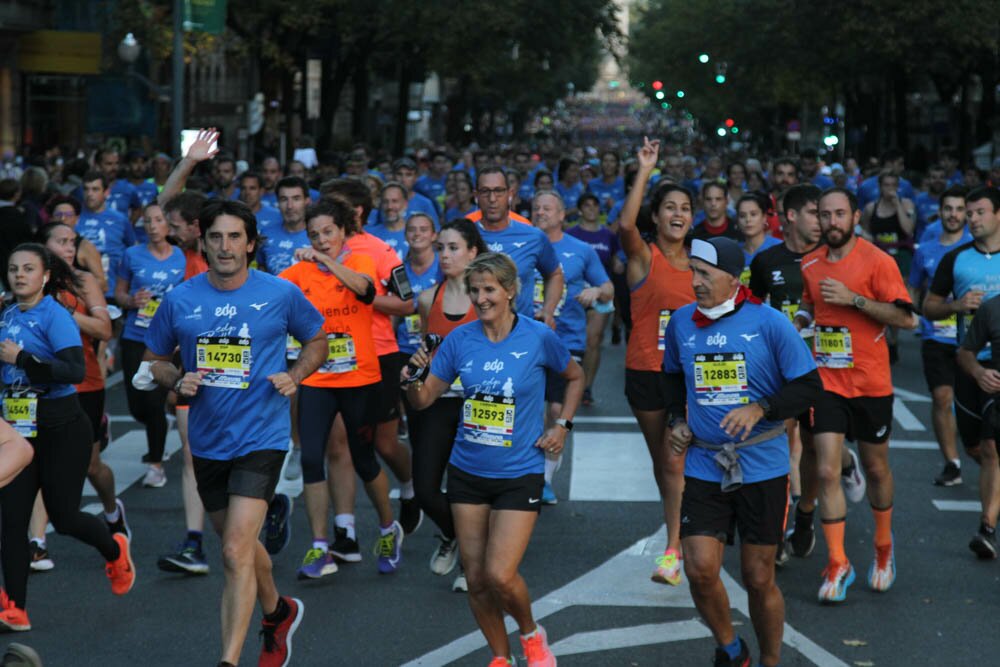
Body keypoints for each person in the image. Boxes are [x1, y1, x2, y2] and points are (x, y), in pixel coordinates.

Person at [140, 199, 327, 666]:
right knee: (241, 548)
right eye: (217, 237)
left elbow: (318, 339)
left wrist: (297, 374)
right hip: (207, 440)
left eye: (235, 237)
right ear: (202, 242)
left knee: (230, 551)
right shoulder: (181, 299)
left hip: (261, 436)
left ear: (251, 243)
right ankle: (278, 612)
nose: (225, 247)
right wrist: (175, 379)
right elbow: (154, 362)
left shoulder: (280, 294)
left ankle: (228, 659)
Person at [403, 252, 583, 667]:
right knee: (478, 578)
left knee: (501, 574)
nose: (481, 299)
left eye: (489, 290)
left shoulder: (538, 337)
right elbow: (425, 397)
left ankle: (531, 635)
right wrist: (411, 381)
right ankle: (500, 657)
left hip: (519, 473)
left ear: (510, 291)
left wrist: (562, 426)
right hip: (468, 472)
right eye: (476, 290)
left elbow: (574, 377)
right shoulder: (461, 340)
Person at [664, 237, 821, 667]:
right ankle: (732, 649)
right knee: (698, 568)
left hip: (761, 465)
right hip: (704, 460)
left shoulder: (769, 323)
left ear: (734, 278)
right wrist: (677, 422)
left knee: (757, 576)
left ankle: (770, 659)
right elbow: (673, 380)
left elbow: (809, 386)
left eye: (705, 274)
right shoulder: (680, 323)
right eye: (692, 271)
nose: (694, 281)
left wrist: (761, 407)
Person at [0, 244, 135, 632]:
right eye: (13, 269)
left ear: (44, 277)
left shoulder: (55, 315)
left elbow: (74, 371)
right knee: (12, 522)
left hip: (62, 428)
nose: (20, 275)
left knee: (65, 515)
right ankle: (17, 610)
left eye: (28, 269)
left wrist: (22, 359)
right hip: (18, 433)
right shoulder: (6, 316)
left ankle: (115, 549)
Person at [794, 188, 918, 603]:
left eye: (839, 214)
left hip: (870, 382)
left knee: (876, 467)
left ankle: (883, 548)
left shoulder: (878, 262)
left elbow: (907, 317)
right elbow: (810, 305)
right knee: (826, 470)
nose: (831, 221)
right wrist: (799, 320)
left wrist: (856, 300)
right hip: (827, 382)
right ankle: (837, 561)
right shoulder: (809, 263)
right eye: (824, 214)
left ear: (853, 218)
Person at [279, 199, 404, 578]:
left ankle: (387, 529)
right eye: (314, 234)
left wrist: (326, 261)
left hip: (359, 379)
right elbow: (266, 294)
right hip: (318, 377)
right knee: (312, 458)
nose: (321, 239)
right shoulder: (300, 272)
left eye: (328, 232)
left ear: (343, 232)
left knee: (365, 460)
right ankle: (320, 547)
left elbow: (366, 292)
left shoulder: (359, 261)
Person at [28, 222, 125, 573]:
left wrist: (65, 314)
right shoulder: (29, 284)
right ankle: (36, 543)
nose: (70, 248)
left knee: (90, 466)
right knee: (38, 461)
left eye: (73, 242)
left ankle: (113, 510)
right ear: (44, 246)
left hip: (85, 384)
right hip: (41, 386)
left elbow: (104, 329)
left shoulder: (84, 283)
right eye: (62, 242)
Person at [620, 137, 696, 586]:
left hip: (689, 377)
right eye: (670, 206)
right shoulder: (642, 257)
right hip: (646, 372)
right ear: (657, 215)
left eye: (685, 207)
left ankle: (674, 549)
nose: (678, 214)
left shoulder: (703, 264)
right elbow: (624, 225)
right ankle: (682, 527)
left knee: (674, 460)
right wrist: (645, 169)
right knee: (662, 461)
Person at [409, 219, 486, 590]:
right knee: (425, 488)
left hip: (477, 404)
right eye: (440, 248)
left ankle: (469, 567)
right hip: (438, 400)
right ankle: (454, 534)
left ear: (473, 252)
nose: (445, 255)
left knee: (463, 488)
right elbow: (427, 347)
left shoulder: (485, 299)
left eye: (453, 248)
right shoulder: (427, 299)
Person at [924, 186, 1000, 559]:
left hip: (998, 367)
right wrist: (956, 304)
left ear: (998, 215)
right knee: (975, 446)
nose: (972, 219)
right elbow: (929, 308)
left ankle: (986, 528)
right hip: (968, 362)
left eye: (980, 212)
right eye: (969, 213)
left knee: (991, 447)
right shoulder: (955, 260)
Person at [749, 184, 823, 560]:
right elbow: (753, 310)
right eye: (814, 212)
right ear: (791, 216)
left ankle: (806, 514)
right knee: (780, 445)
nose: (821, 221)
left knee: (818, 449)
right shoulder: (767, 261)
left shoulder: (831, 258)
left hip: (827, 368)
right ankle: (776, 533)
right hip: (781, 369)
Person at [532, 190, 612, 502]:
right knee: (523, 410)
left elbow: (608, 289)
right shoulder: (522, 246)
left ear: (562, 214)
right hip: (521, 338)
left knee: (555, 409)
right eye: (536, 208)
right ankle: (522, 471)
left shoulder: (580, 250)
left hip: (566, 339)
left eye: (548, 208)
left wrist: (595, 292)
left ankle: (546, 479)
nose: (541, 213)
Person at [114, 203, 187, 487]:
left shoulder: (182, 257)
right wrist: (131, 301)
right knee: (138, 405)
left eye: (158, 220)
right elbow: (119, 292)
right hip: (136, 335)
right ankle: (159, 428)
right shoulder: (131, 255)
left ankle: (155, 464)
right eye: (148, 221)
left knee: (155, 402)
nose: (153, 225)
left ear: (168, 223)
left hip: (169, 339)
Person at [907, 186, 970, 486]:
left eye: (960, 209)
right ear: (940, 212)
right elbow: (914, 289)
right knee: (942, 397)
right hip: (937, 337)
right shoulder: (927, 250)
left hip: (974, 340)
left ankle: (974, 449)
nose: (954, 215)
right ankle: (952, 462)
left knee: (972, 404)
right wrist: (912, 313)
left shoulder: (978, 249)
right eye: (949, 209)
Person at [473, 167, 564, 322]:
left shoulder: (533, 236)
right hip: (475, 333)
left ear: (510, 194)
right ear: (476, 196)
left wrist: (548, 311)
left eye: (499, 191)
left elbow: (555, 274)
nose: (492, 198)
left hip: (520, 333)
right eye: (485, 191)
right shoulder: (464, 235)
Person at [567, 192, 619, 405]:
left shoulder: (608, 235)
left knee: (592, 341)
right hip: (574, 296)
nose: (591, 209)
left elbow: (614, 258)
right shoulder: (570, 234)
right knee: (573, 341)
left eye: (594, 205)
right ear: (579, 210)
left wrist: (618, 264)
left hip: (600, 293)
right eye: (586, 205)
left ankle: (586, 387)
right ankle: (572, 381)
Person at [76, 170, 137, 299]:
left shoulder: (120, 219)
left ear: (106, 192)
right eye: (86, 189)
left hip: (113, 291)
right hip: (81, 293)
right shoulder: (74, 217)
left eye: (95, 189)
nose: (90, 194)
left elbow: (134, 250)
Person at [736, 192, 781, 285]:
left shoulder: (779, 248)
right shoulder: (733, 254)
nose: (748, 220)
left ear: (764, 217)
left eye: (753, 214)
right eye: (742, 216)